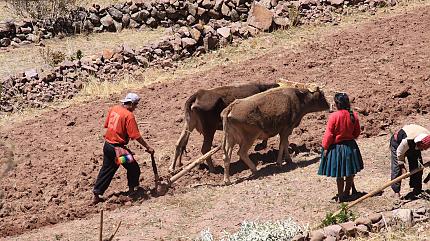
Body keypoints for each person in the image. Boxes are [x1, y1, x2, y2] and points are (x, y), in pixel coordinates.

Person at [93, 93, 155, 204]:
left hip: (107, 146)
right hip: (117, 151)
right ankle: (133, 191)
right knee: (133, 168)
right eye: (135, 104)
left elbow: (108, 125)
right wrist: (148, 147)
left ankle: (97, 193)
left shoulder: (114, 109)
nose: (136, 107)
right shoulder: (129, 115)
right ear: (130, 103)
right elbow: (136, 136)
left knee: (107, 169)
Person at [318, 92, 363, 202]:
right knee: (349, 172)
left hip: (337, 148)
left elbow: (329, 134)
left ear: (337, 104)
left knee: (339, 174)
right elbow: (357, 132)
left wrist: (325, 147)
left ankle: (341, 195)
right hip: (350, 147)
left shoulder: (334, 116)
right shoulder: (354, 115)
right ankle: (347, 193)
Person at [390, 124, 430, 199]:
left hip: (413, 144)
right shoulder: (407, 140)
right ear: (419, 143)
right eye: (422, 148)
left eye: (425, 149)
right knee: (397, 168)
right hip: (397, 143)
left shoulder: (428, 138)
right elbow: (399, 153)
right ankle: (396, 192)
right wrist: (402, 166)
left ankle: (417, 189)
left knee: (418, 166)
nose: (423, 150)